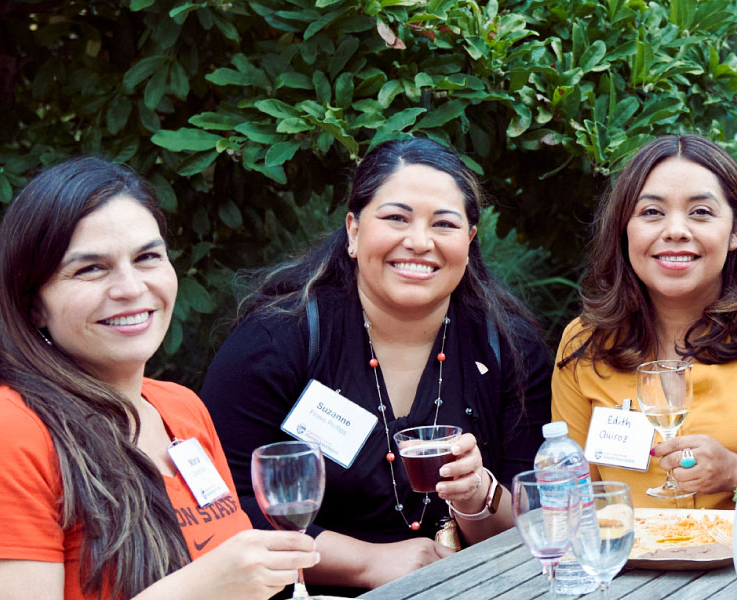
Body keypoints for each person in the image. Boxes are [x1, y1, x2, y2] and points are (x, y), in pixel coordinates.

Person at [0, 157, 319, 600]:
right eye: (91, 269)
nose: (130, 287)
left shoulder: (179, 409)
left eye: (147, 257)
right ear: (33, 305)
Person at [201, 138, 551, 594]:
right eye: (396, 218)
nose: (419, 242)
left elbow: (538, 526)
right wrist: (368, 563)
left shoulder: (510, 350)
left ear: (468, 240)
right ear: (353, 230)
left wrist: (478, 498)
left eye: (444, 224)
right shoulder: (277, 341)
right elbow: (217, 506)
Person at [551, 134, 737, 509]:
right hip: (629, 564)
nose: (676, 230)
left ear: (735, 231)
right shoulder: (585, 344)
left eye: (700, 212)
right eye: (651, 212)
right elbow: (573, 496)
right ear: (623, 229)